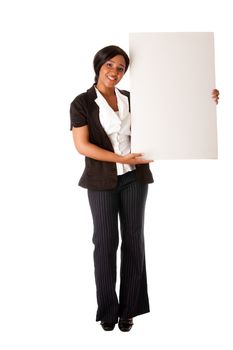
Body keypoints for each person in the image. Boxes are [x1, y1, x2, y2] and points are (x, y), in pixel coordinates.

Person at [70, 45, 219, 332]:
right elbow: (82, 146)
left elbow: (173, 112)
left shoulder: (133, 99)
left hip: (134, 178)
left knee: (134, 241)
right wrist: (120, 158)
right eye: (110, 65)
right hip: (102, 181)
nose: (114, 72)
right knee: (104, 243)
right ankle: (108, 311)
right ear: (99, 65)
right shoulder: (82, 102)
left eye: (121, 68)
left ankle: (129, 310)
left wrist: (206, 100)